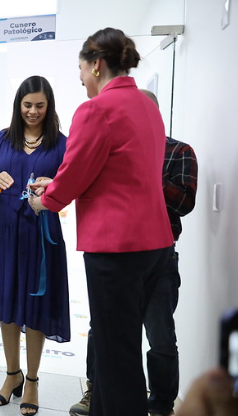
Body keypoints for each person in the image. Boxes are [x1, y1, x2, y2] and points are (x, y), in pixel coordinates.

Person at [30, 28, 174, 416]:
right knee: (122, 344)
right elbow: (118, 170)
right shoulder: (149, 108)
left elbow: (75, 173)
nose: (80, 79)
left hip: (117, 247)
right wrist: (58, 183)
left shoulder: (96, 109)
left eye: (81, 69)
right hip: (155, 242)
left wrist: (44, 200)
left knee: (116, 353)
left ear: (96, 64)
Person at [69, 89, 198, 416]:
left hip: (160, 257)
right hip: (117, 256)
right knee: (103, 329)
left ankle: (161, 405)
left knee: (160, 336)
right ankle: (95, 391)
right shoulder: (113, 151)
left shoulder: (180, 151)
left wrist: (146, 169)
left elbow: (184, 203)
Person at [0, 76, 70, 415]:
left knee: (36, 308)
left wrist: (53, 186)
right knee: (6, 302)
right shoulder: (1, 139)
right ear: (18, 105)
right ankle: (11, 375)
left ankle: (32, 380)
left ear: (49, 106)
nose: (32, 111)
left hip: (41, 234)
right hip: (2, 230)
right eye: (27, 105)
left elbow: (70, 187)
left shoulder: (62, 144)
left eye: (40, 105)